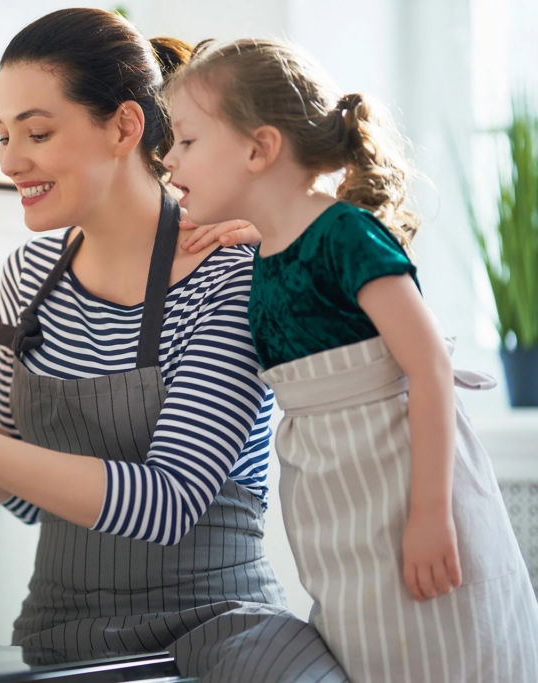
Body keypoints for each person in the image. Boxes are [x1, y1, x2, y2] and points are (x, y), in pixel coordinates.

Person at [0, 9, 346, 681]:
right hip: (67, 647)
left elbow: (167, 501)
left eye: (37, 131)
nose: (11, 160)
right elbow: (31, 495)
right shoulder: (30, 278)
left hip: (225, 640)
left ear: (125, 127)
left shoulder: (232, 272)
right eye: (3, 134)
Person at [161, 36, 538, 682]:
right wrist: (253, 232)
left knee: (452, 652)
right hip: (342, 520)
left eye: (187, 141)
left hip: (409, 497)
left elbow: (428, 368)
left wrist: (428, 514)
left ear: (259, 148)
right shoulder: (269, 249)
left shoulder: (346, 236)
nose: (169, 160)